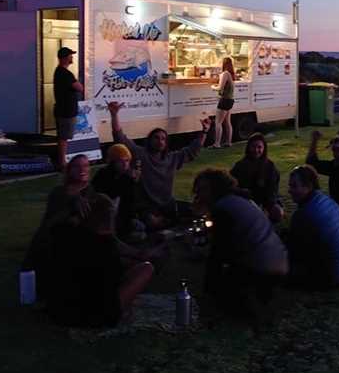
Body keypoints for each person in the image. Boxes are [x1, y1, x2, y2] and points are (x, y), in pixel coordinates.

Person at [47, 193, 154, 328]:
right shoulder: (104, 246)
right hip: (94, 317)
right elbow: (113, 277)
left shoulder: (64, 235)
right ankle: (123, 311)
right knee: (146, 269)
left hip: (60, 312)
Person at [191, 169, 289, 316]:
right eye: (197, 190)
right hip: (280, 265)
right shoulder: (243, 200)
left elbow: (218, 255)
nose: (198, 195)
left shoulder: (223, 208)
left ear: (216, 188)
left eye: (203, 190)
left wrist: (208, 292)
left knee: (223, 283)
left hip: (263, 270)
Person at [108, 101, 210, 229]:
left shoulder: (172, 159)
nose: (160, 141)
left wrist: (204, 132)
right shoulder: (140, 154)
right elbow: (120, 138)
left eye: (163, 139)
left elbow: (192, 151)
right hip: (147, 209)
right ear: (149, 140)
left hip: (168, 206)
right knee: (151, 228)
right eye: (156, 138)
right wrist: (114, 115)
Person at [22, 155, 95, 299]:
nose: (82, 169)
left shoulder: (90, 190)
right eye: (77, 166)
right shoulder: (59, 192)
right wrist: (72, 203)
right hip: (55, 245)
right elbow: (51, 224)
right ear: (69, 171)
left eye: (86, 166)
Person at [286, 165, 339, 289]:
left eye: (294, 186)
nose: (289, 190)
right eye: (290, 185)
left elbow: (294, 250)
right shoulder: (325, 199)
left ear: (308, 186)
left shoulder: (303, 213)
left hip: (329, 276)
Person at [230, 133, 284, 223]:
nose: (256, 150)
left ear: (264, 148)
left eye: (259, 147)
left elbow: (273, 188)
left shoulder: (269, 166)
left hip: (266, 199)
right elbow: (231, 184)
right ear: (248, 147)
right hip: (246, 200)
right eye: (253, 147)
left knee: (277, 212)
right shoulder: (240, 165)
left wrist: (268, 204)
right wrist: (241, 192)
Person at [91, 143, 140, 240]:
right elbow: (107, 197)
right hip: (104, 217)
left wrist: (134, 183)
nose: (125, 164)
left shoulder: (127, 177)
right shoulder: (102, 175)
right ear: (112, 162)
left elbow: (129, 203)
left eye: (127, 161)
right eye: (120, 161)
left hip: (121, 218)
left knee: (140, 228)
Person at [53, 47, 84, 170]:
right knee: (63, 138)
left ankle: (62, 161)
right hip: (65, 111)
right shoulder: (65, 73)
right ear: (65, 58)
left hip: (64, 109)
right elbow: (79, 87)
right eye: (70, 56)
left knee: (63, 137)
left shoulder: (60, 72)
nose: (72, 58)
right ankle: (62, 162)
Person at [211, 57, 236, 149]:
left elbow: (220, 88)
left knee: (218, 122)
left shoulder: (225, 74)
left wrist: (213, 87)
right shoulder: (231, 74)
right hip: (230, 100)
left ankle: (217, 144)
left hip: (224, 100)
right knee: (227, 122)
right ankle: (228, 142)